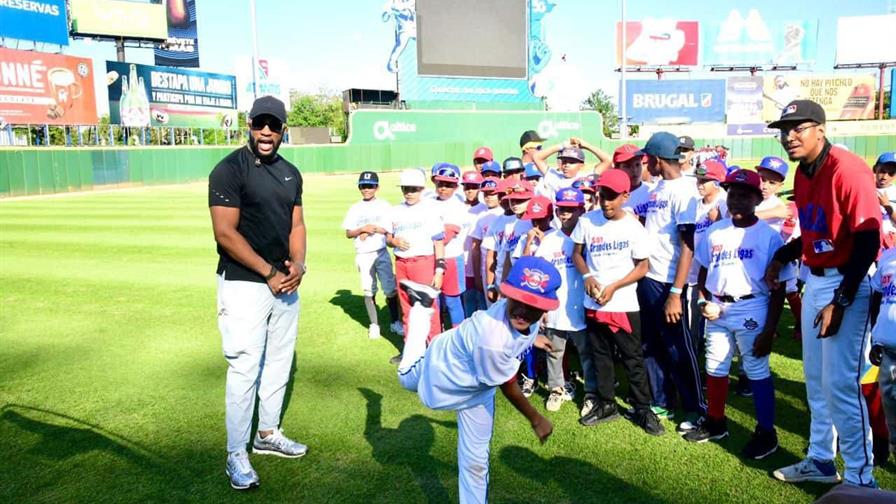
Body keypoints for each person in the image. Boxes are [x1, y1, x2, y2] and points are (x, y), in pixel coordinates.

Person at [766, 99, 881, 487]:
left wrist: (841, 300)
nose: (789, 136)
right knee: (816, 381)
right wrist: (785, 253)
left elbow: (868, 241)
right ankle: (820, 460)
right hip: (814, 280)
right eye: (785, 129)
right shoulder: (803, 172)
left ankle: (861, 480)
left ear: (820, 128)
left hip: (848, 281)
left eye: (798, 127)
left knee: (842, 386)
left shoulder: (847, 169)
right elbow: (816, 233)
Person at [396, 256, 560, 504]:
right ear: (508, 294)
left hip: (477, 391)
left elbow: (520, 331)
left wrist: (532, 339)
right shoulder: (492, 338)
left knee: (476, 463)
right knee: (405, 377)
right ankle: (421, 308)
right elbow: (508, 385)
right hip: (443, 367)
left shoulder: (526, 319)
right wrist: (535, 419)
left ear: (545, 307)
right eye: (519, 301)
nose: (524, 311)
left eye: (534, 305)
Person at [208, 96, 308, 490]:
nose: (266, 132)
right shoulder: (229, 169)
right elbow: (225, 234)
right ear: (249, 124)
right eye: (260, 124)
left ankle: (267, 434)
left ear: (283, 129)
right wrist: (268, 272)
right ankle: (236, 453)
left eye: (274, 125)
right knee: (245, 366)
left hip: (284, 283)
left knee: (279, 361)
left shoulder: (290, 172)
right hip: (244, 284)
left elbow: (296, 225)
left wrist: (297, 265)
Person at [687, 169, 793, 461]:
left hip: (752, 306)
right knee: (715, 367)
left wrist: (770, 330)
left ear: (758, 198)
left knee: (756, 369)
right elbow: (704, 270)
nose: (736, 199)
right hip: (718, 307)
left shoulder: (769, 237)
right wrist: (702, 301)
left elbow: (780, 287)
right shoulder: (715, 230)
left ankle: (767, 433)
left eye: (744, 194)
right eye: (732, 193)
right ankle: (716, 422)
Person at [571, 170, 664, 435]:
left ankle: (642, 409)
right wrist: (587, 275)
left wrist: (614, 286)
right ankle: (607, 404)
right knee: (601, 356)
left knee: (633, 357)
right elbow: (576, 253)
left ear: (625, 196)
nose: (606, 202)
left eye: (612, 197)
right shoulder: (587, 221)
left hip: (623, 303)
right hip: (594, 303)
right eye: (602, 196)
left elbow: (643, 267)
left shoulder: (633, 226)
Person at [636, 131, 706, 429]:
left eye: (646, 158)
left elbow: (687, 245)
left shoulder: (685, 191)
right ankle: (662, 401)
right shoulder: (657, 189)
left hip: (669, 282)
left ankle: (696, 405)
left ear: (655, 159)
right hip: (649, 277)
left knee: (679, 346)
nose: (644, 163)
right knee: (652, 343)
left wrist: (676, 292)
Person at [514, 192, 588, 413]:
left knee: (588, 354)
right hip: (555, 307)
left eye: (570, 209)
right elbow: (540, 276)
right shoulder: (549, 241)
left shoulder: (586, 236)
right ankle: (556, 389)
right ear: (556, 212)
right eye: (561, 209)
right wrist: (542, 307)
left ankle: (592, 395)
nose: (565, 213)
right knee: (554, 351)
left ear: (581, 210)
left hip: (581, 306)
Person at [386, 168, 446, 359]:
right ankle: (410, 351)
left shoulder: (430, 209)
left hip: (423, 262)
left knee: (428, 308)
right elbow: (388, 237)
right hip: (402, 263)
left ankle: (433, 350)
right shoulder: (395, 210)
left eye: (413, 188)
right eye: (406, 189)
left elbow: (439, 242)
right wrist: (393, 241)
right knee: (406, 308)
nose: (409, 193)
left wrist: (439, 270)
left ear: (421, 189)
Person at [341, 171, 403, 339]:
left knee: (390, 289)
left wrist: (373, 228)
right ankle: (374, 324)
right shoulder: (355, 208)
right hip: (363, 254)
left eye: (370, 186)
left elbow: (391, 228)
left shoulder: (384, 205)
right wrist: (361, 229)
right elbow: (348, 232)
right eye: (363, 186)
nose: (366, 189)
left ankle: (395, 322)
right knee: (369, 290)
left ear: (377, 187)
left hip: (381, 251)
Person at [755, 156, 804, 342]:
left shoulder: (782, 206)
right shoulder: (754, 200)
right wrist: (771, 214)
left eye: (772, 182)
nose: (765, 185)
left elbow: (789, 233)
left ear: (780, 186)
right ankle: (768, 327)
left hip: (775, 256)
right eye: (762, 179)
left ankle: (800, 325)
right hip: (753, 256)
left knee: (785, 291)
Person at [429, 163, 468, 327]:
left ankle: (457, 338)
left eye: (448, 184)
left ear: (456, 186)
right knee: (433, 302)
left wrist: (420, 239)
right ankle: (436, 339)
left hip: (451, 258)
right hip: (430, 258)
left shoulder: (457, 206)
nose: (443, 188)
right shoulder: (427, 202)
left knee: (452, 301)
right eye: (440, 183)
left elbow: (445, 237)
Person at [870, 246, 896, 467]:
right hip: (888, 348)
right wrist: (876, 337)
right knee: (890, 407)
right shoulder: (888, 255)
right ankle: (886, 449)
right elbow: (878, 297)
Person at [468, 177, 503, 309]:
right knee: (491, 306)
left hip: (502, 265)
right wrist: (477, 275)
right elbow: (475, 247)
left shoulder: (505, 214)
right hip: (486, 268)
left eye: (492, 193)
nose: (488, 197)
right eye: (486, 194)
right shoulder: (481, 216)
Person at [461, 171, 488, 316]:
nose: (470, 190)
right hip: (463, 262)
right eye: (466, 187)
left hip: (480, 264)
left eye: (474, 187)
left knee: (483, 302)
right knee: (468, 299)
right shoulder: (457, 208)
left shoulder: (485, 210)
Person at [874, 152, 896, 249]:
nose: (885, 177)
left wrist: (887, 207)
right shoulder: (867, 189)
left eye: (891, 173)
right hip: (872, 241)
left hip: (891, 244)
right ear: (875, 169)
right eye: (882, 171)